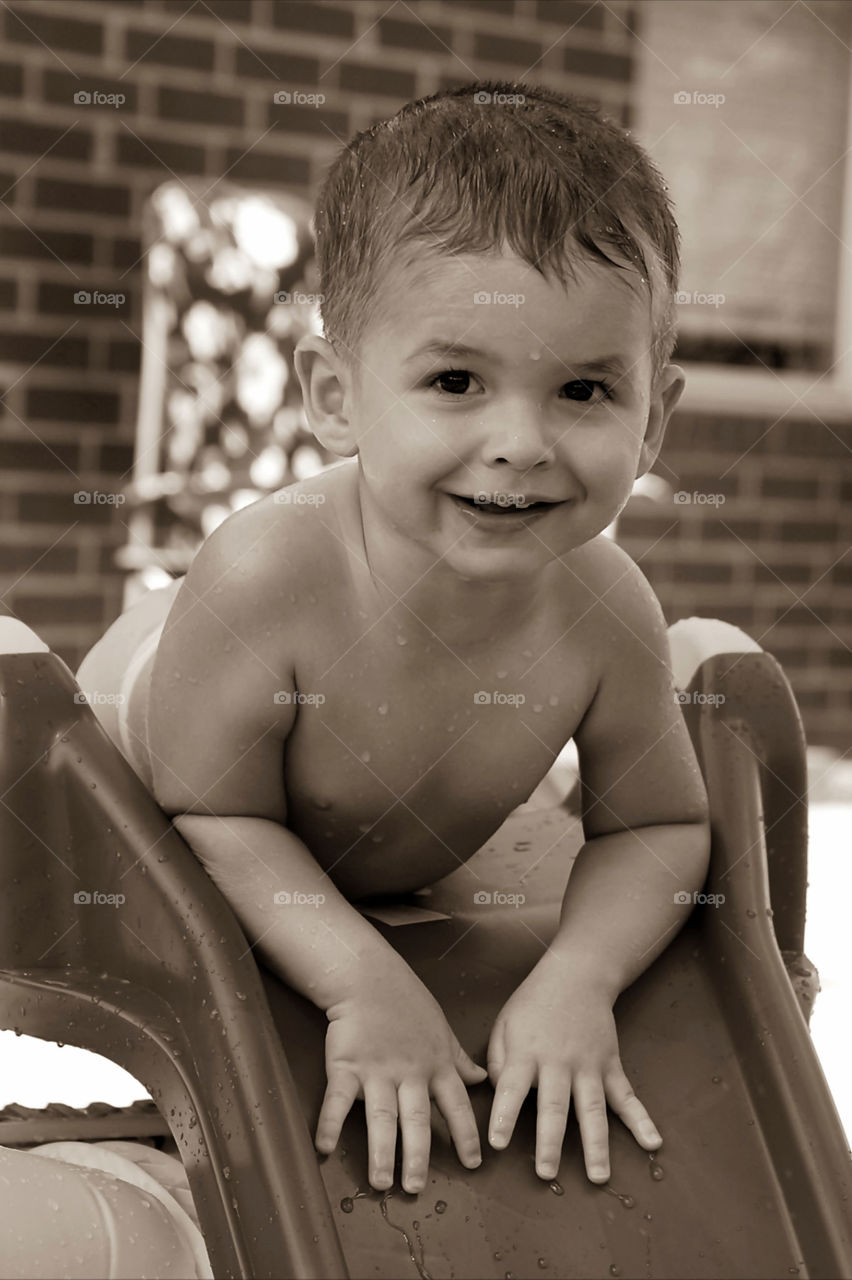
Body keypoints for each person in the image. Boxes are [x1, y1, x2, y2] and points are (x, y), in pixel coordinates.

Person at [76, 79, 711, 1201]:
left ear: (653, 418)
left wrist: (578, 979)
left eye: (584, 389)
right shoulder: (265, 574)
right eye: (455, 380)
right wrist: (362, 983)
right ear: (335, 395)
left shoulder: (608, 610)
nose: (520, 442)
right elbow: (213, 815)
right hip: (157, 735)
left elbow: (659, 824)